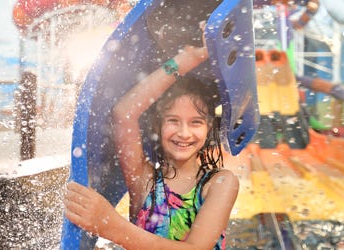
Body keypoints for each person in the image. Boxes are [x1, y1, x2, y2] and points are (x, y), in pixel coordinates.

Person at [64, 22, 240, 249]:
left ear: (208, 128)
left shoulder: (220, 183)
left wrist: (110, 226)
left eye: (196, 122)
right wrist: (187, 60)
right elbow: (124, 113)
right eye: (173, 121)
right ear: (158, 125)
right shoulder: (145, 181)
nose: (184, 133)